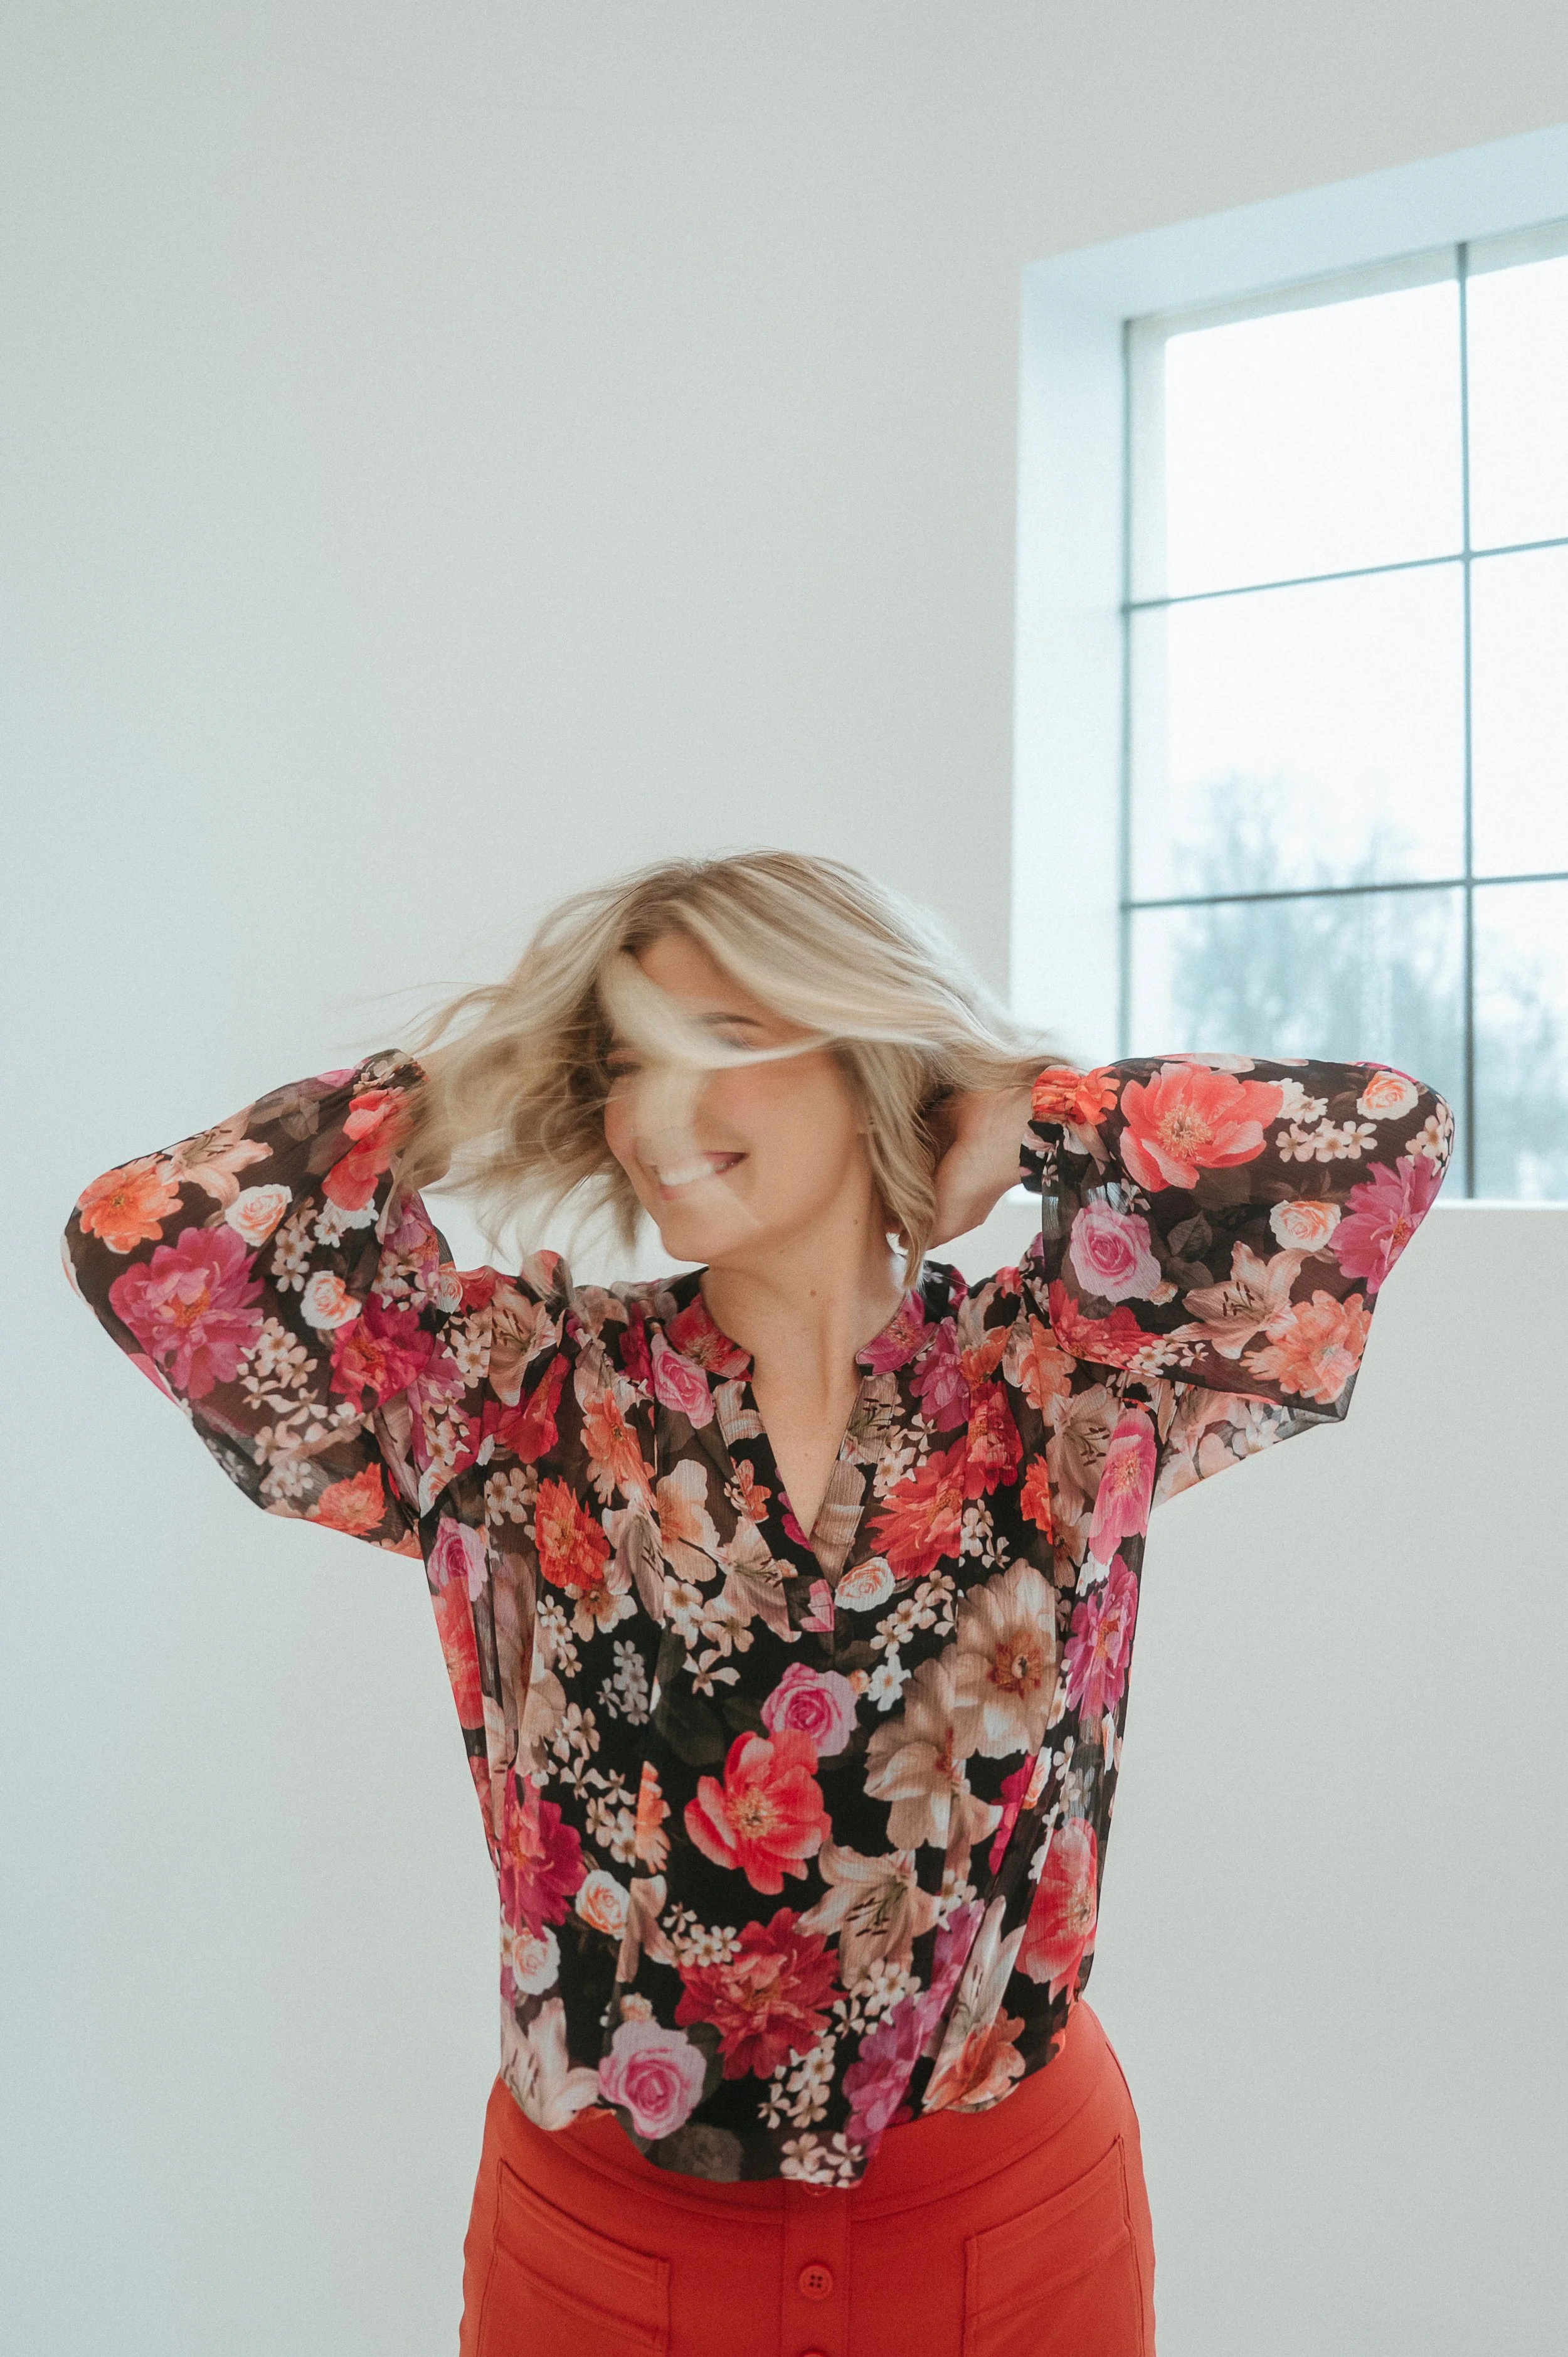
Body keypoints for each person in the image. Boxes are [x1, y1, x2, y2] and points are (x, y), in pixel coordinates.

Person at [63, 850, 1451, 2356]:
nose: (656, 1115)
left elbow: (1376, 1148)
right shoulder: (504, 1393)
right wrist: (467, 1081)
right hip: (608, 2255)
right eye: (622, 1064)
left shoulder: (1063, 1370)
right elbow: (151, 1240)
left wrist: (1029, 1114)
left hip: (1011, 2235)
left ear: (864, 1053)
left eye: (725, 1043)